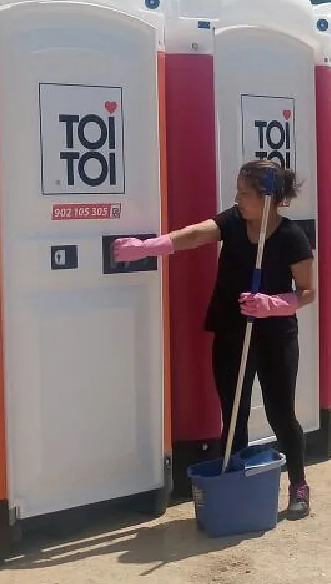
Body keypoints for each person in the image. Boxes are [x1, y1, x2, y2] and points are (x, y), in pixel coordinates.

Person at [113, 159, 315, 518]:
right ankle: (234, 486)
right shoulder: (233, 222)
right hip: (231, 329)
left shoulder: (291, 237)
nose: (237, 199)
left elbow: (308, 291)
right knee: (233, 412)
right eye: (236, 191)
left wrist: (276, 304)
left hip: (274, 334)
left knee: (280, 412)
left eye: (245, 193)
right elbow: (196, 233)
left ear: (270, 199)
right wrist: (153, 246)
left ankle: (298, 484)